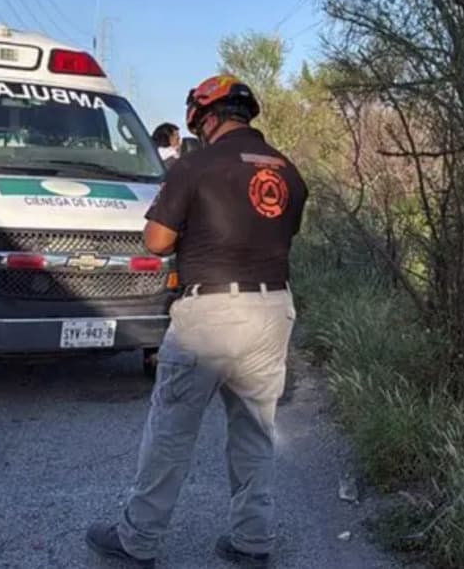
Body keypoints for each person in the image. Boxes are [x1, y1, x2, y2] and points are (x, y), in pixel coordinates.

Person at [86, 75, 308, 568]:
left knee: (172, 429)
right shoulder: (288, 171)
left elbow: (158, 241)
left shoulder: (196, 164)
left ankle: (139, 538)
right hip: (273, 309)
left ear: (205, 119)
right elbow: (280, 232)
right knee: (254, 429)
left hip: (211, 313)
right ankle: (253, 541)